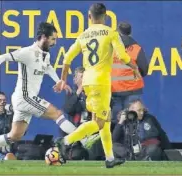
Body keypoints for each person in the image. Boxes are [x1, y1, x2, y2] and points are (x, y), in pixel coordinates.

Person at [0, 22, 78, 161]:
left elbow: (48, 68)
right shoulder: (26, 53)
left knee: (15, 135)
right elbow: (3, 57)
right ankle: (81, 138)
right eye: (53, 39)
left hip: (25, 99)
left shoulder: (45, 54)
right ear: (43, 37)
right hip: (24, 97)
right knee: (57, 114)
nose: (55, 42)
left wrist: (58, 81)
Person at [55, 3, 141, 168]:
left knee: (104, 121)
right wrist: (135, 68)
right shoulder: (110, 33)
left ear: (89, 16)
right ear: (106, 16)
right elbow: (123, 56)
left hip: (88, 81)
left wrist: (63, 79)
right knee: (100, 123)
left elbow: (66, 59)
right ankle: (65, 141)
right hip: (101, 82)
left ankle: (109, 158)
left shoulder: (83, 35)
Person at [110, 22, 149, 121]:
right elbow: (144, 69)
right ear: (130, 33)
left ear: (118, 33)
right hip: (133, 90)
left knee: (117, 121)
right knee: (134, 120)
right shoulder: (136, 48)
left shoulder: (111, 48)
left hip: (114, 90)